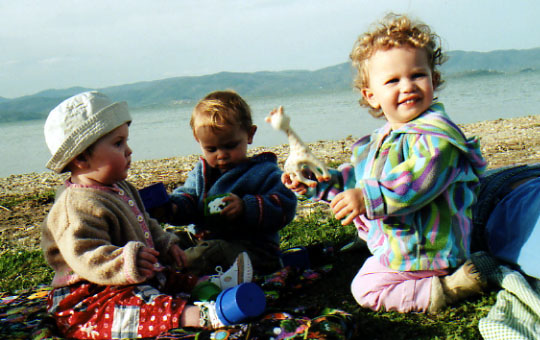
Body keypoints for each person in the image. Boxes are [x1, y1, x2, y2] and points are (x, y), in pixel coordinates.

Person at [282, 14, 487, 313]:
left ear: (433, 78)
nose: (408, 86)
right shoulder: (379, 141)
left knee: (364, 288)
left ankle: (447, 288)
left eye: (417, 75)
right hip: (403, 247)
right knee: (366, 268)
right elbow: (354, 180)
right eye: (393, 80)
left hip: (429, 251)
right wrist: (316, 182)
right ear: (372, 96)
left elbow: (418, 181)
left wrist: (367, 197)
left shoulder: (438, 139)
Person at [41, 91, 256, 339]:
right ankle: (201, 316)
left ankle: (210, 287)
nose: (129, 150)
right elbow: (85, 255)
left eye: (126, 141)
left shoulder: (120, 187)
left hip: (127, 277)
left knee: (167, 276)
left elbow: (146, 221)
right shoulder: (74, 206)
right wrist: (126, 259)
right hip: (89, 295)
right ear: (81, 157)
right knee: (135, 306)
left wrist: (165, 244)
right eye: (118, 143)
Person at [157, 90, 297, 277]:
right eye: (211, 149)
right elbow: (188, 198)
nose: (221, 155)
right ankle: (159, 266)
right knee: (169, 242)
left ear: (249, 134)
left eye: (230, 146)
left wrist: (246, 207)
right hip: (203, 239)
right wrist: (172, 208)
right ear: (198, 140)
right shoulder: (201, 172)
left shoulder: (263, 172)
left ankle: (171, 274)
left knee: (209, 253)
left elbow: (285, 205)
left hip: (251, 250)